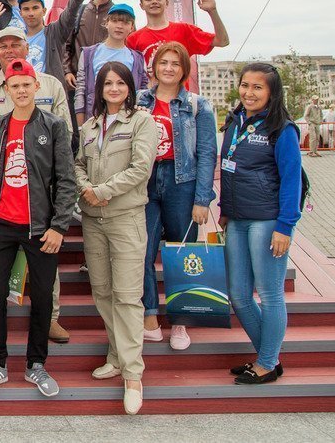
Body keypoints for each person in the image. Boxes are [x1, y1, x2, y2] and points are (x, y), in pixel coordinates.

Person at [0, 25, 73, 345]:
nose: (9, 49)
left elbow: (64, 131)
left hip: (42, 190)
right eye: (3, 45)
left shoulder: (50, 84)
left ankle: (51, 318)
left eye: (16, 44)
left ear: (28, 48)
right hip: (0, 190)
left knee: (46, 260)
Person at [0, 59, 77, 397]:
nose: (20, 90)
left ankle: (36, 364)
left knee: (43, 297)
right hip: (2, 223)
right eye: (14, 85)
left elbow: (66, 179)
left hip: (41, 227)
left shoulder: (54, 125)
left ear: (37, 86)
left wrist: (59, 226)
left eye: (25, 84)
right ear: (6, 89)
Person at [74, 61, 159, 415]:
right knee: (103, 292)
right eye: (107, 83)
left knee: (126, 296)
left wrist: (103, 191)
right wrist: (86, 189)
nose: (114, 89)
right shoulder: (89, 126)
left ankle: (133, 375)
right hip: (93, 220)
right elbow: (77, 165)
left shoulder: (141, 121)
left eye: (120, 83)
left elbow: (141, 168)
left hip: (126, 218)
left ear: (129, 87)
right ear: (99, 89)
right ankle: (116, 355)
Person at [220, 62, 303, 385]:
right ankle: (269, 358)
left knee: (269, 295)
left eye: (258, 87)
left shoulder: (282, 128)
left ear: (272, 92)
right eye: (245, 85)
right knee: (239, 296)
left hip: (267, 221)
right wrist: (225, 210)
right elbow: (229, 169)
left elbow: (292, 180)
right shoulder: (235, 120)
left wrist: (285, 226)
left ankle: (267, 362)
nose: (249, 92)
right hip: (237, 219)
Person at [136, 42, 217, 349]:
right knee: (142, 251)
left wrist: (202, 199)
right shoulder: (140, 100)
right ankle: (150, 316)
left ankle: (181, 321)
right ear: (154, 67)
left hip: (182, 181)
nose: (168, 68)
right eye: (163, 62)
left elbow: (207, 153)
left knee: (182, 252)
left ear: (184, 70)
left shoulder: (197, 105)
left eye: (175, 63)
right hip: (145, 181)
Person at [127, 0, 229, 76]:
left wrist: (212, 11)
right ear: (141, 5)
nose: (154, 2)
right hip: (148, 88)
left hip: (179, 88)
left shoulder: (185, 30)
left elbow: (222, 41)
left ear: (167, 3)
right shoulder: (133, 39)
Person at [74, 3, 147, 125]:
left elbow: (143, 92)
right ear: (107, 23)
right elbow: (80, 90)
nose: (119, 26)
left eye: (125, 23)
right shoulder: (88, 54)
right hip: (94, 118)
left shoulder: (138, 58)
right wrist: (81, 126)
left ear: (131, 27)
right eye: (115, 21)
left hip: (128, 121)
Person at [17, 0, 90, 82]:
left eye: (35, 8)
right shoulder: (16, 39)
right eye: (26, 9)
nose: (31, 13)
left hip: (50, 90)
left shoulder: (55, 32)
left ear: (44, 11)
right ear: (20, 13)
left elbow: (70, 13)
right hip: (23, 89)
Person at [63, 0, 124, 89]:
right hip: (76, 81)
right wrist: (67, 71)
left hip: (106, 83)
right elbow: (65, 44)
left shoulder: (119, 17)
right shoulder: (79, 11)